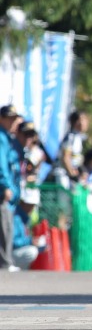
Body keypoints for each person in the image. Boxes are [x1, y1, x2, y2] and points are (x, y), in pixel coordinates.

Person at [0, 104, 23, 271]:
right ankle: (4, 262)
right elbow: (1, 165)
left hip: (7, 186)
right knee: (3, 225)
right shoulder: (1, 137)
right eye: (10, 119)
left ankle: (6, 261)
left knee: (7, 223)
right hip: (3, 187)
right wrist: (5, 185)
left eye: (14, 119)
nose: (13, 122)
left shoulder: (7, 137)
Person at [53, 110, 89, 190]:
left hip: (70, 175)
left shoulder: (78, 137)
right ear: (75, 122)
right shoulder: (71, 137)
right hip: (63, 174)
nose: (86, 122)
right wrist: (73, 175)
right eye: (82, 119)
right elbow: (65, 158)